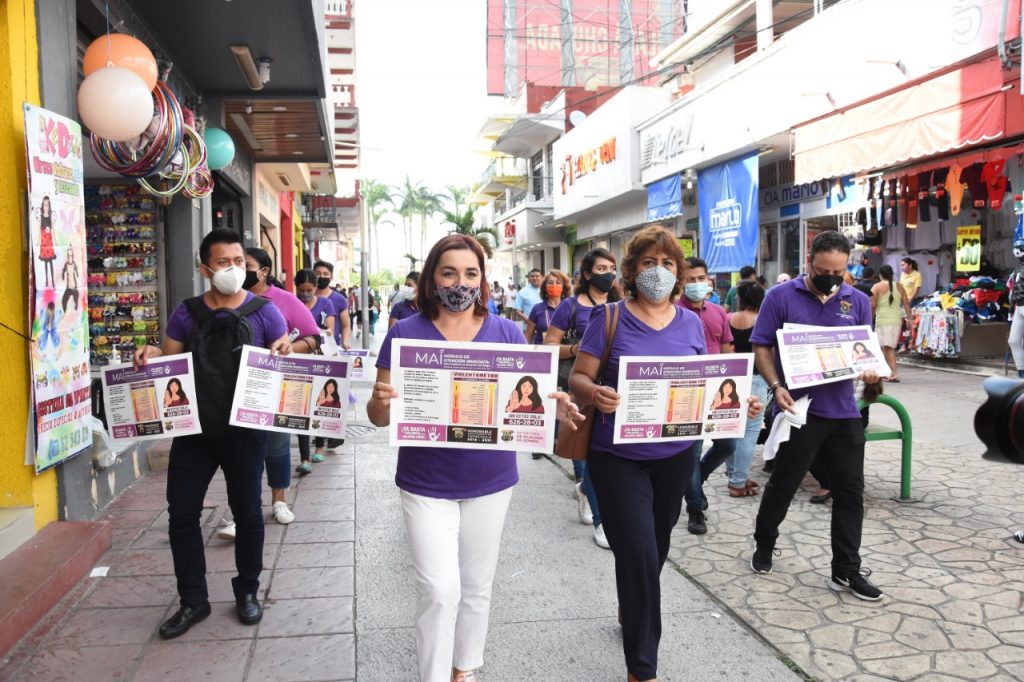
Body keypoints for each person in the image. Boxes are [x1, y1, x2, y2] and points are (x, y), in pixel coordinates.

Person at [367, 234, 579, 682]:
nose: (459, 283)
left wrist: (551, 403)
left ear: (482, 279)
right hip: (425, 480)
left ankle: (464, 667)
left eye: (470, 273)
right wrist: (382, 403)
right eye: (448, 272)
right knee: (439, 589)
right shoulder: (404, 334)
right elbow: (378, 415)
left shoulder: (505, 332)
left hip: (491, 479)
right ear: (431, 278)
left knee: (477, 584)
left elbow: (527, 396)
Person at [569, 226, 761, 682]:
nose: (659, 271)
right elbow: (577, 378)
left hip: (676, 454)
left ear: (680, 273)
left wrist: (740, 403)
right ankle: (643, 668)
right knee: (636, 551)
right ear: (632, 270)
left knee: (653, 550)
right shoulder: (610, 317)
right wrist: (595, 393)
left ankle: (630, 611)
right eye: (649, 263)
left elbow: (710, 383)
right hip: (617, 457)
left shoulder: (691, 322)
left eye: (668, 263)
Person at [133, 228, 290, 639]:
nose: (233, 269)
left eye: (239, 261)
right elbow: (168, 359)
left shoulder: (265, 311)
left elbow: (286, 355)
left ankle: (248, 591)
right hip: (194, 431)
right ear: (205, 268)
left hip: (245, 431)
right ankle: (193, 601)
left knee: (248, 513)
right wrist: (150, 353)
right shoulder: (186, 312)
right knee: (182, 512)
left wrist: (289, 349)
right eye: (223, 262)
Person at [750, 230, 885, 602]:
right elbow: (761, 346)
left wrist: (871, 370)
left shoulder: (857, 301)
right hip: (799, 411)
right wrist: (776, 385)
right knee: (783, 484)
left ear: (847, 268)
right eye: (824, 269)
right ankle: (764, 544)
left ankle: (846, 570)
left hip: (843, 413)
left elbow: (864, 350)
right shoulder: (780, 297)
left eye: (838, 271)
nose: (831, 276)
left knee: (850, 493)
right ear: (810, 261)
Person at [231, 248, 320, 532]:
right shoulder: (225, 300)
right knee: (242, 450)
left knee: (278, 445)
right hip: (234, 387)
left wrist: (290, 348)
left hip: (276, 385)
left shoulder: (284, 301)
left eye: (245, 265)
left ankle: (279, 500)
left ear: (264, 271)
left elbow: (314, 338)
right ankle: (243, 509)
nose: (238, 270)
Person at [545, 247, 620, 548]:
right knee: (586, 453)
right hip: (576, 385)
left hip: (611, 389)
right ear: (587, 274)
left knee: (599, 456)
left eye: (612, 268)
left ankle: (587, 491)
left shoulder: (621, 305)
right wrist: (577, 349)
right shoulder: (570, 307)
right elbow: (549, 345)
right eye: (601, 268)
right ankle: (599, 518)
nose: (608, 274)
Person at [677, 257, 738, 534]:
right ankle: (695, 508)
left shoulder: (718, 312)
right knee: (692, 450)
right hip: (687, 390)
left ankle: (694, 481)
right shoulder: (672, 312)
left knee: (728, 446)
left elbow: (727, 348)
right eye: (690, 279)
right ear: (681, 282)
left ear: (708, 280)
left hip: (719, 390)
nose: (696, 284)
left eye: (700, 278)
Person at [294, 268, 338, 476]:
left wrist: (318, 333)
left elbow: (330, 329)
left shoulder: (325, 304)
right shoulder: (292, 304)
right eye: (301, 290)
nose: (305, 294)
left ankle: (319, 446)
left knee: (319, 404)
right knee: (301, 408)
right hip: (299, 361)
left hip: (320, 359)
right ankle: (304, 458)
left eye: (309, 290)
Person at [872, 264, 912, 382]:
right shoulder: (899, 286)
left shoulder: (877, 287)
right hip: (896, 321)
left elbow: (873, 306)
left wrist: (868, 319)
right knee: (887, 348)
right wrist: (910, 318)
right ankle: (887, 372)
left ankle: (893, 374)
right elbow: (906, 303)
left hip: (883, 321)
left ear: (880, 275)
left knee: (887, 348)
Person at [313, 260, 352, 350]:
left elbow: (346, 326)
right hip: (309, 349)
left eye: (326, 274)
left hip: (332, 348)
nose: (321, 276)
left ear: (331, 277)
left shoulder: (340, 299)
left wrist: (345, 341)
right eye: (317, 273)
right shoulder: (306, 298)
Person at [524, 269, 570, 345]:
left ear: (564, 287)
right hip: (542, 354)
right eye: (550, 283)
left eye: (558, 283)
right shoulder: (537, 308)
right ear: (545, 287)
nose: (554, 285)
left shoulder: (570, 308)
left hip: (565, 353)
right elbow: (528, 336)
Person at [1007, 240, 1024, 378]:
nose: (1017, 251)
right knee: (1013, 340)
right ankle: (1021, 374)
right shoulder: (1018, 267)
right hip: (1018, 305)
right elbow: (1014, 288)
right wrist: (1011, 307)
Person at [38, 196, 55, 288]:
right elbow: (38, 229)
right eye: (44, 205)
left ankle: (52, 280)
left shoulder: (50, 217)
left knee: (51, 262)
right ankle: (46, 280)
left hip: (49, 241)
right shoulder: (41, 217)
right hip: (44, 242)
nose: (46, 207)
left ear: (49, 206)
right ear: (42, 206)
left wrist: (56, 240)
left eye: (47, 205)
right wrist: (38, 241)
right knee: (45, 262)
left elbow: (53, 228)